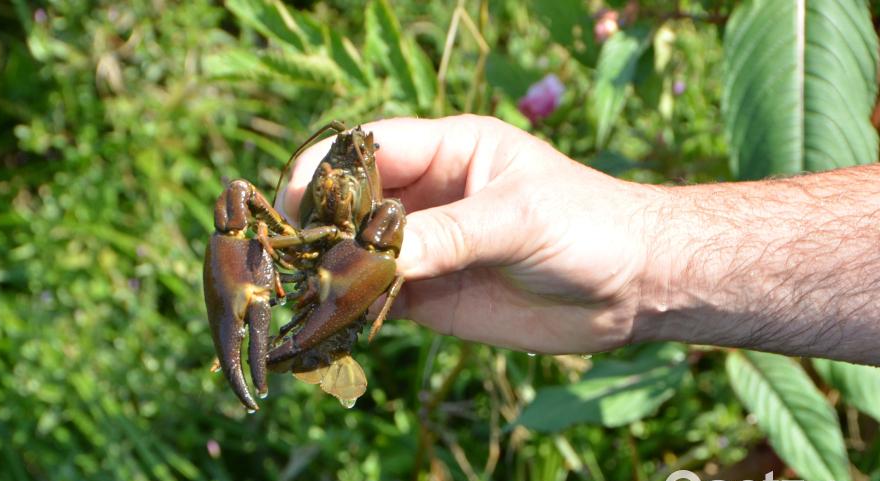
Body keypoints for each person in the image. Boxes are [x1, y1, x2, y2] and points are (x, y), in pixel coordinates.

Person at [280, 115, 880, 366]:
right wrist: (646, 266)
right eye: (340, 158)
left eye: (354, 159)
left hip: (354, 290)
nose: (339, 170)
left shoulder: (388, 209)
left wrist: (647, 264)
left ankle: (317, 344)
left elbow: (393, 237)